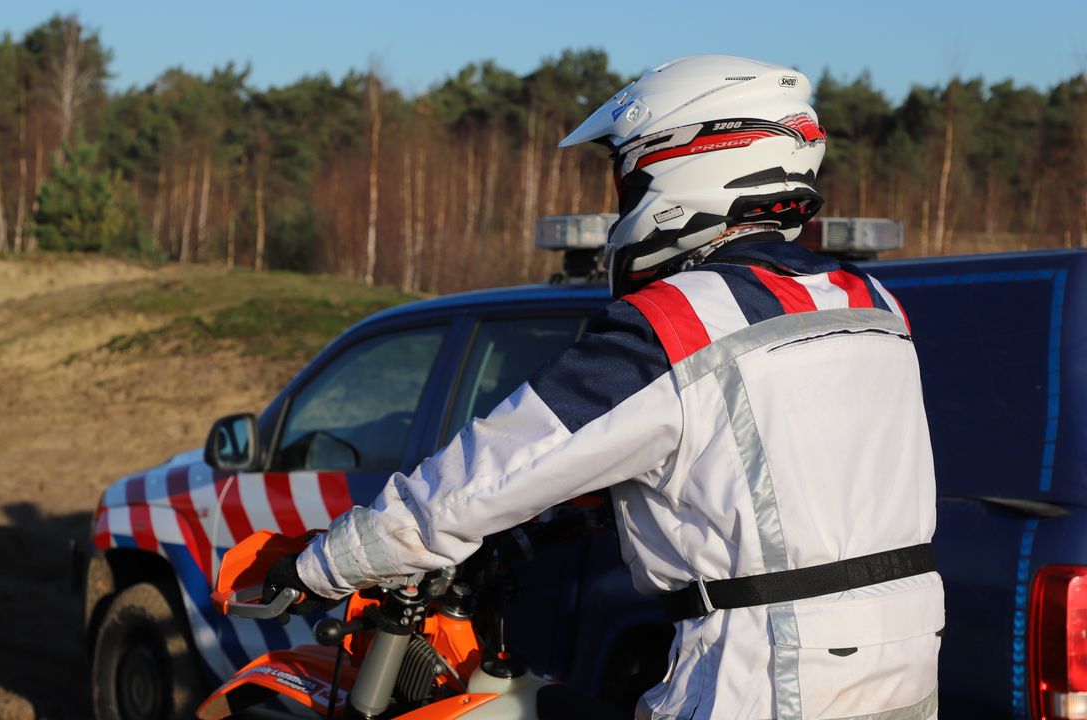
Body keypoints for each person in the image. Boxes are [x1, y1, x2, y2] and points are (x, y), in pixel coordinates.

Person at [271, 55, 943, 719]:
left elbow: (482, 476)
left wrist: (321, 566)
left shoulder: (678, 321)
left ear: (676, 164)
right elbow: (757, 470)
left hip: (765, 675)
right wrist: (553, 524)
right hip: (904, 665)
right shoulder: (869, 303)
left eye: (624, 177)